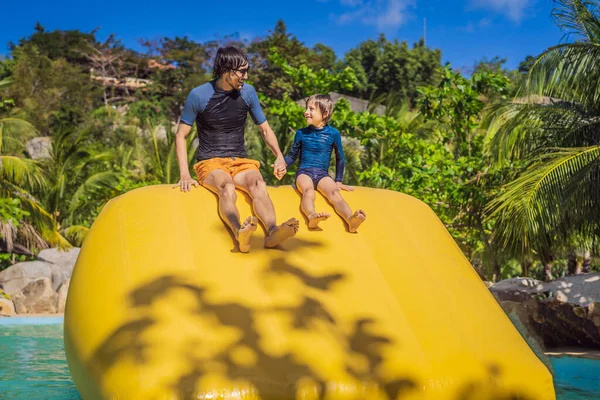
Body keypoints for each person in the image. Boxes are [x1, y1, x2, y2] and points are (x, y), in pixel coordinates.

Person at [173, 46, 299, 252]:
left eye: (247, 70)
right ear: (226, 70)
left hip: (240, 161)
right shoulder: (199, 95)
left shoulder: (248, 93)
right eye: (241, 71)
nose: (245, 76)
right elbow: (181, 135)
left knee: (258, 183)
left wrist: (279, 156)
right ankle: (239, 232)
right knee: (226, 186)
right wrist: (185, 174)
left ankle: (273, 230)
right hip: (210, 162)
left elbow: (265, 130)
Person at [284, 94, 366, 232]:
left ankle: (350, 219)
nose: (306, 112)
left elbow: (340, 157)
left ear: (325, 114)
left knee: (334, 193)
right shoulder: (301, 133)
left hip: (323, 175)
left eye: (311, 109)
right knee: (308, 192)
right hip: (304, 172)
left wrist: (338, 181)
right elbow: (292, 156)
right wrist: (283, 164)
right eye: (306, 108)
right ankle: (311, 216)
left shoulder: (333, 133)